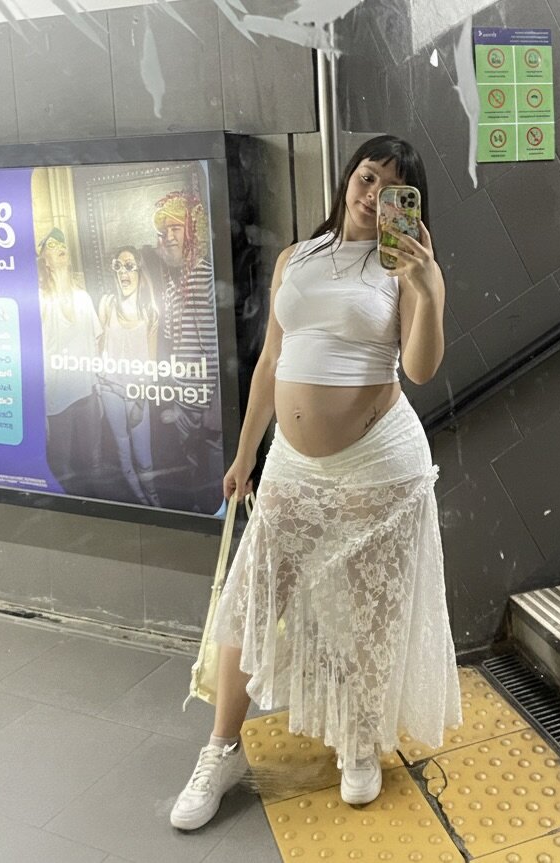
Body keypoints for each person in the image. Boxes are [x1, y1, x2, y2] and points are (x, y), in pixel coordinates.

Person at [169, 135, 462, 830]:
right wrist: (246, 453)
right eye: (367, 178)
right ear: (348, 178)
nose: (374, 196)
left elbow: (419, 368)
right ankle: (221, 748)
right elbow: (272, 359)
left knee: (364, 611)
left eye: (392, 190)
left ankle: (359, 739)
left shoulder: (406, 270)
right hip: (291, 466)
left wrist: (428, 290)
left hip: (377, 464)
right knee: (251, 598)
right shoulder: (295, 258)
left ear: (410, 204)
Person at [153, 190, 223, 513]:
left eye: (176, 228)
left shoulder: (207, 277)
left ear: (193, 231)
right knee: (192, 468)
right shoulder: (172, 285)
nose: (168, 236)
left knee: (214, 472)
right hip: (183, 401)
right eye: (164, 230)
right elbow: (172, 345)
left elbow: (217, 349)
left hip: (208, 404)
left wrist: (212, 406)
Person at [37, 227, 103, 497]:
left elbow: (96, 342)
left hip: (86, 393)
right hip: (56, 400)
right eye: (52, 246)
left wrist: (97, 386)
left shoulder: (83, 298)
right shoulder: (41, 300)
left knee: (92, 460)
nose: (60, 247)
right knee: (61, 463)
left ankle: (97, 507)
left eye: (62, 244)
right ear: (45, 261)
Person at [97, 246, 161, 506]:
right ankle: (141, 501)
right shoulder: (107, 304)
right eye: (118, 266)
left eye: (129, 266)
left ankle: (155, 501)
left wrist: (141, 401)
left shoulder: (150, 311)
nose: (123, 272)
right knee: (123, 451)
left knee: (143, 456)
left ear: (139, 270)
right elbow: (98, 350)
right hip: (109, 388)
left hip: (136, 392)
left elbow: (151, 364)